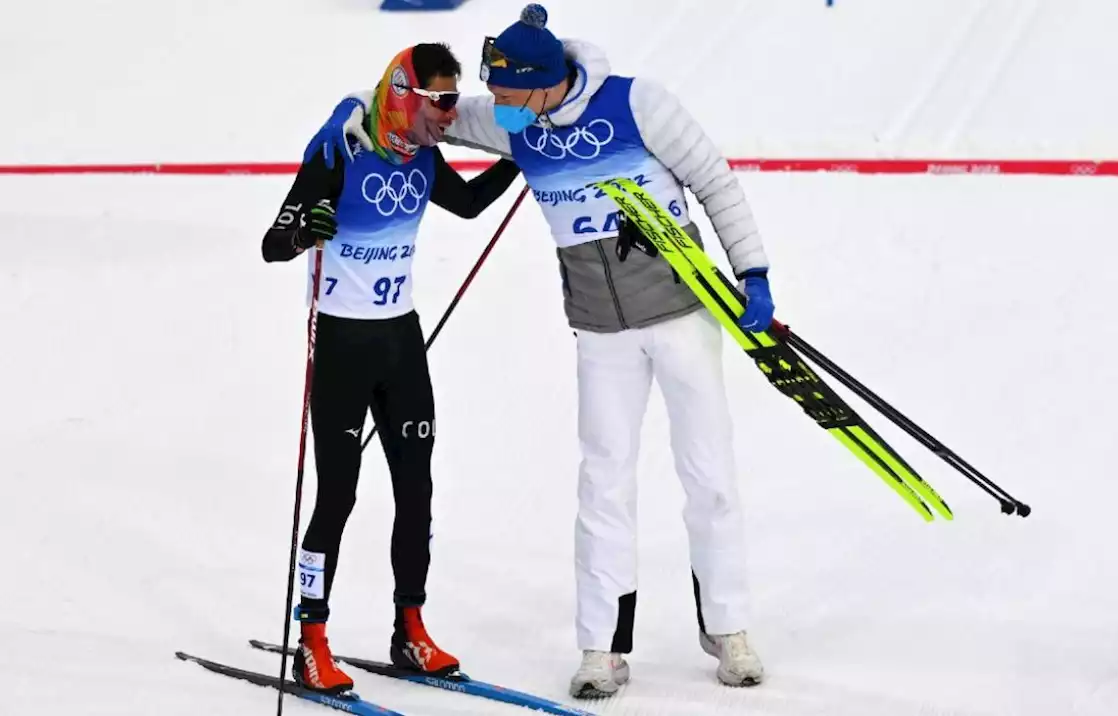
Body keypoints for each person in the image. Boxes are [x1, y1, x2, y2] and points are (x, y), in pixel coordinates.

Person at [311, 4, 773, 697]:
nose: (492, 106)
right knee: (603, 481)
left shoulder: (638, 103)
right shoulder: (509, 118)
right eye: (491, 95)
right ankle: (602, 648)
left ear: (539, 83)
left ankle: (729, 629)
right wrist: (350, 112)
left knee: (708, 476)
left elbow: (715, 182)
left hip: (681, 316)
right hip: (599, 330)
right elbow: (419, 109)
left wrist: (754, 271)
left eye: (504, 93)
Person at [261, 42, 522, 694]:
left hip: (400, 342)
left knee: (417, 488)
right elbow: (274, 244)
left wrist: (522, 157)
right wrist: (304, 232)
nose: (448, 113)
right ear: (404, 94)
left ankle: (411, 629)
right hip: (344, 345)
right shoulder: (340, 148)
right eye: (438, 100)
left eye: (452, 100)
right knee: (338, 495)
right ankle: (312, 639)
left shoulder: (421, 154)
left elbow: (464, 205)